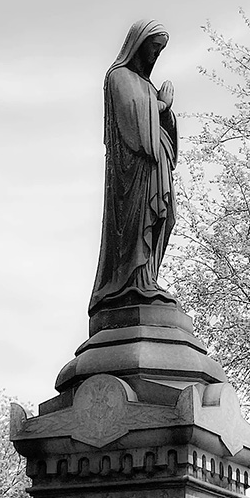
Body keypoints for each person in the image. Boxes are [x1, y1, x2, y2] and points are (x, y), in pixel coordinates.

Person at [89, 19, 178, 316]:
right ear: (138, 45)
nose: (155, 56)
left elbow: (157, 123)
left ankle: (148, 277)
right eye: (153, 48)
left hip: (156, 166)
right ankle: (132, 281)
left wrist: (166, 113)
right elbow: (133, 118)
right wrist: (162, 105)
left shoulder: (147, 85)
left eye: (160, 51)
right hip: (134, 172)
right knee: (139, 221)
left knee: (165, 218)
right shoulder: (119, 76)